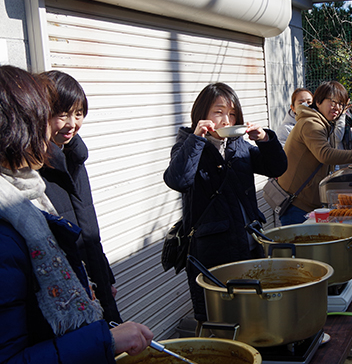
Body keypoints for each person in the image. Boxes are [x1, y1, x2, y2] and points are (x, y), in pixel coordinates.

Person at [0, 65, 153, 363]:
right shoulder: (7, 230)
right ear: (20, 127)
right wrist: (104, 340)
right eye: (48, 116)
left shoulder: (28, 191)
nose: (56, 129)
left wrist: (100, 277)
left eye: (78, 113)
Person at [163, 82, 287, 322]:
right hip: (211, 253)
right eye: (218, 112)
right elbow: (178, 180)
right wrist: (198, 139)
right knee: (220, 317)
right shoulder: (187, 145)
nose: (226, 120)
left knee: (254, 313)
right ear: (202, 115)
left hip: (248, 245)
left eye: (232, 114)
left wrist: (264, 138)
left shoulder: (239, 146)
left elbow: (277, 167)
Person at [38, 70, 122, 324]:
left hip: (95, 282)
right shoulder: (32, 170)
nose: (72, 123)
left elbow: (89, 230)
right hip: (68, 293)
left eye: (78, 113)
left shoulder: (75, 159)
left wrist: (105, 276)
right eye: (62, 114)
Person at [276, 81, 352, 225]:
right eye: (333, 102)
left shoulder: (322, 123)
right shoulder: (311, 123)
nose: (337, 108)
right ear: (318, 102)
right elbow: (326, 155)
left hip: (307, 202)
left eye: (341, 104)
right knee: (301, 246)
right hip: (296, 204)